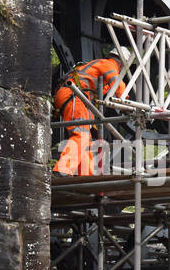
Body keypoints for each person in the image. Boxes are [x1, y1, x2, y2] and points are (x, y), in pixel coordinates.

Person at [53, 47, 132, 176]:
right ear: (122, 63)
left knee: (87, 141)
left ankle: (87, 176)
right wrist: (127, 104)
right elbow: (118, 85)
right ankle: (63, 169)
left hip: (76, 97)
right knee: (81, 135)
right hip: (74, 96)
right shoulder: (108, 65)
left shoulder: (99, 68)